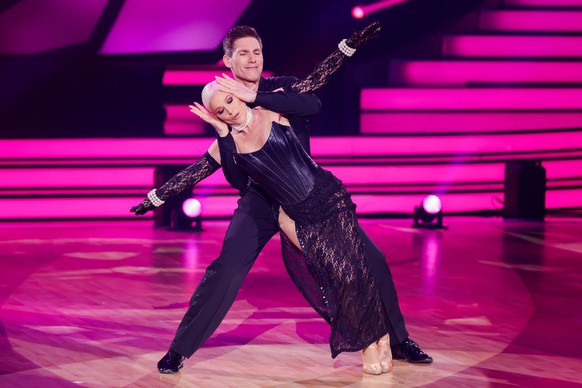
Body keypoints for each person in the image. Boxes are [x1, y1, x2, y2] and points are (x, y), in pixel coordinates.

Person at [131, 25, 431, 374]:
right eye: (242, 53)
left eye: (256, 51)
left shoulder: (279, 89)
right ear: (227, 60)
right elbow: (221, 171)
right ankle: (179, 350)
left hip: (309, 199)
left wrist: (347, 47)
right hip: (260, 202)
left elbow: (314, 97)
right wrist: (157, 196)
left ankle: (399, 340)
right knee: (226, 270)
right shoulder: (222, 108)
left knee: (372, 260)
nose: (251, 58)